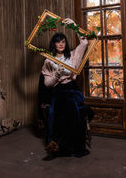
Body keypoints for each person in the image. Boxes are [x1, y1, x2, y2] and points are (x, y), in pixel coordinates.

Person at [41, 18, 94, 160]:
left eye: (63, 41)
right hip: (58, 90)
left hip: (72, 90)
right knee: (55, 113)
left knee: (73, 110)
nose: (61, 44)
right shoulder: (48, 60)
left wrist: (74, 26)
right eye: (58, 41)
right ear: (54, 44)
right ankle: (57, 147)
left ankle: (75, 147)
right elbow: (47, 84)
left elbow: (84, 42)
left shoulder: (73, 55)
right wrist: (56, 75)